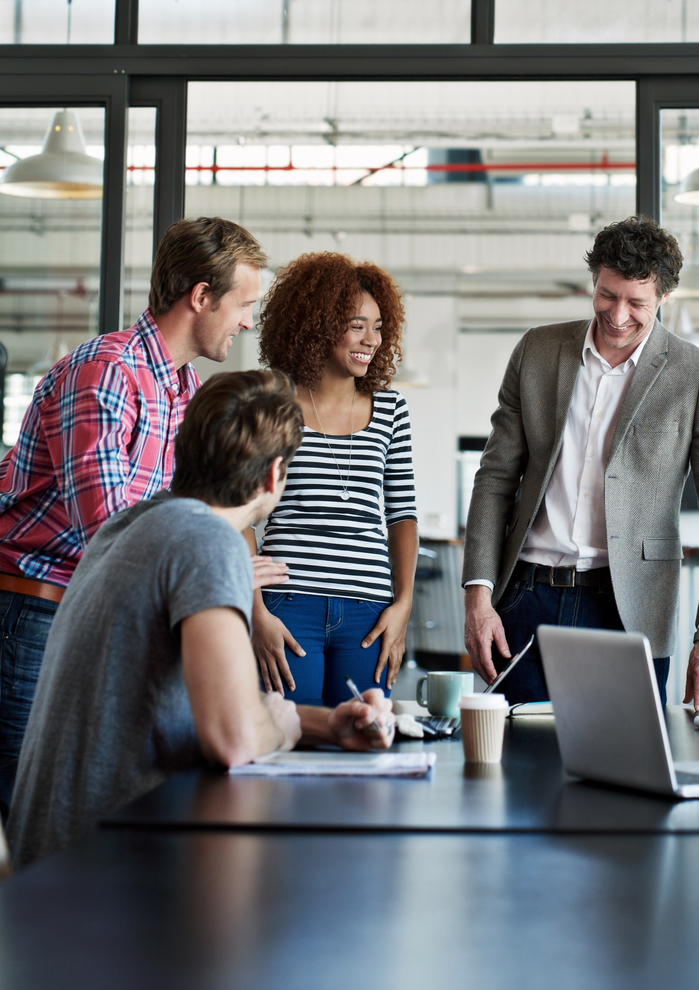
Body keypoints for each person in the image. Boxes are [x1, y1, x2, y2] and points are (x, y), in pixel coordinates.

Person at [7, 370, 395, 869]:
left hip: (50, 870)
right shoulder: (208, 543)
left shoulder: (133, 525)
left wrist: (326, 724)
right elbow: (233, 737)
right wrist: (283, 729)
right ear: (275, 475)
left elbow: (210, 704)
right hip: (101, 880)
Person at [0, 216, 274, 817]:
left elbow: (172, 519)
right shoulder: (107, 372)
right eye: (244, 304)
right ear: (201, 297)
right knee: (35, 812)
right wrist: (203, 568)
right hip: (35, 613)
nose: (249, 321)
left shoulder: (179, 389)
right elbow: (108, 534)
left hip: (90, 610)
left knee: (91, 807)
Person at [462, 216, 699, 711]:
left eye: (636, 302)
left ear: (663, 297)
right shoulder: (537, 351)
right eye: (607, 295)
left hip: (629, 610)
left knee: (623, 777)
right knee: (509, 774)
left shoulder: (695, 375)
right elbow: (495, 479)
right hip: (525, 599)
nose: (617, 315)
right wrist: (478, 594)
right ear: (594, 282)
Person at [252, 251, 418, 706]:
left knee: (365, 744)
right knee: (285, 739)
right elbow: (241, 513)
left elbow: (402, 514)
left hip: (369, 613)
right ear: (318, 325)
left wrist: (402, 606)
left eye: (379, 326)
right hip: (287, 606)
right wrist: (255, 610)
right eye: (356, 324)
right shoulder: (272, 401)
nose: (372, 339)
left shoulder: (391, 410)